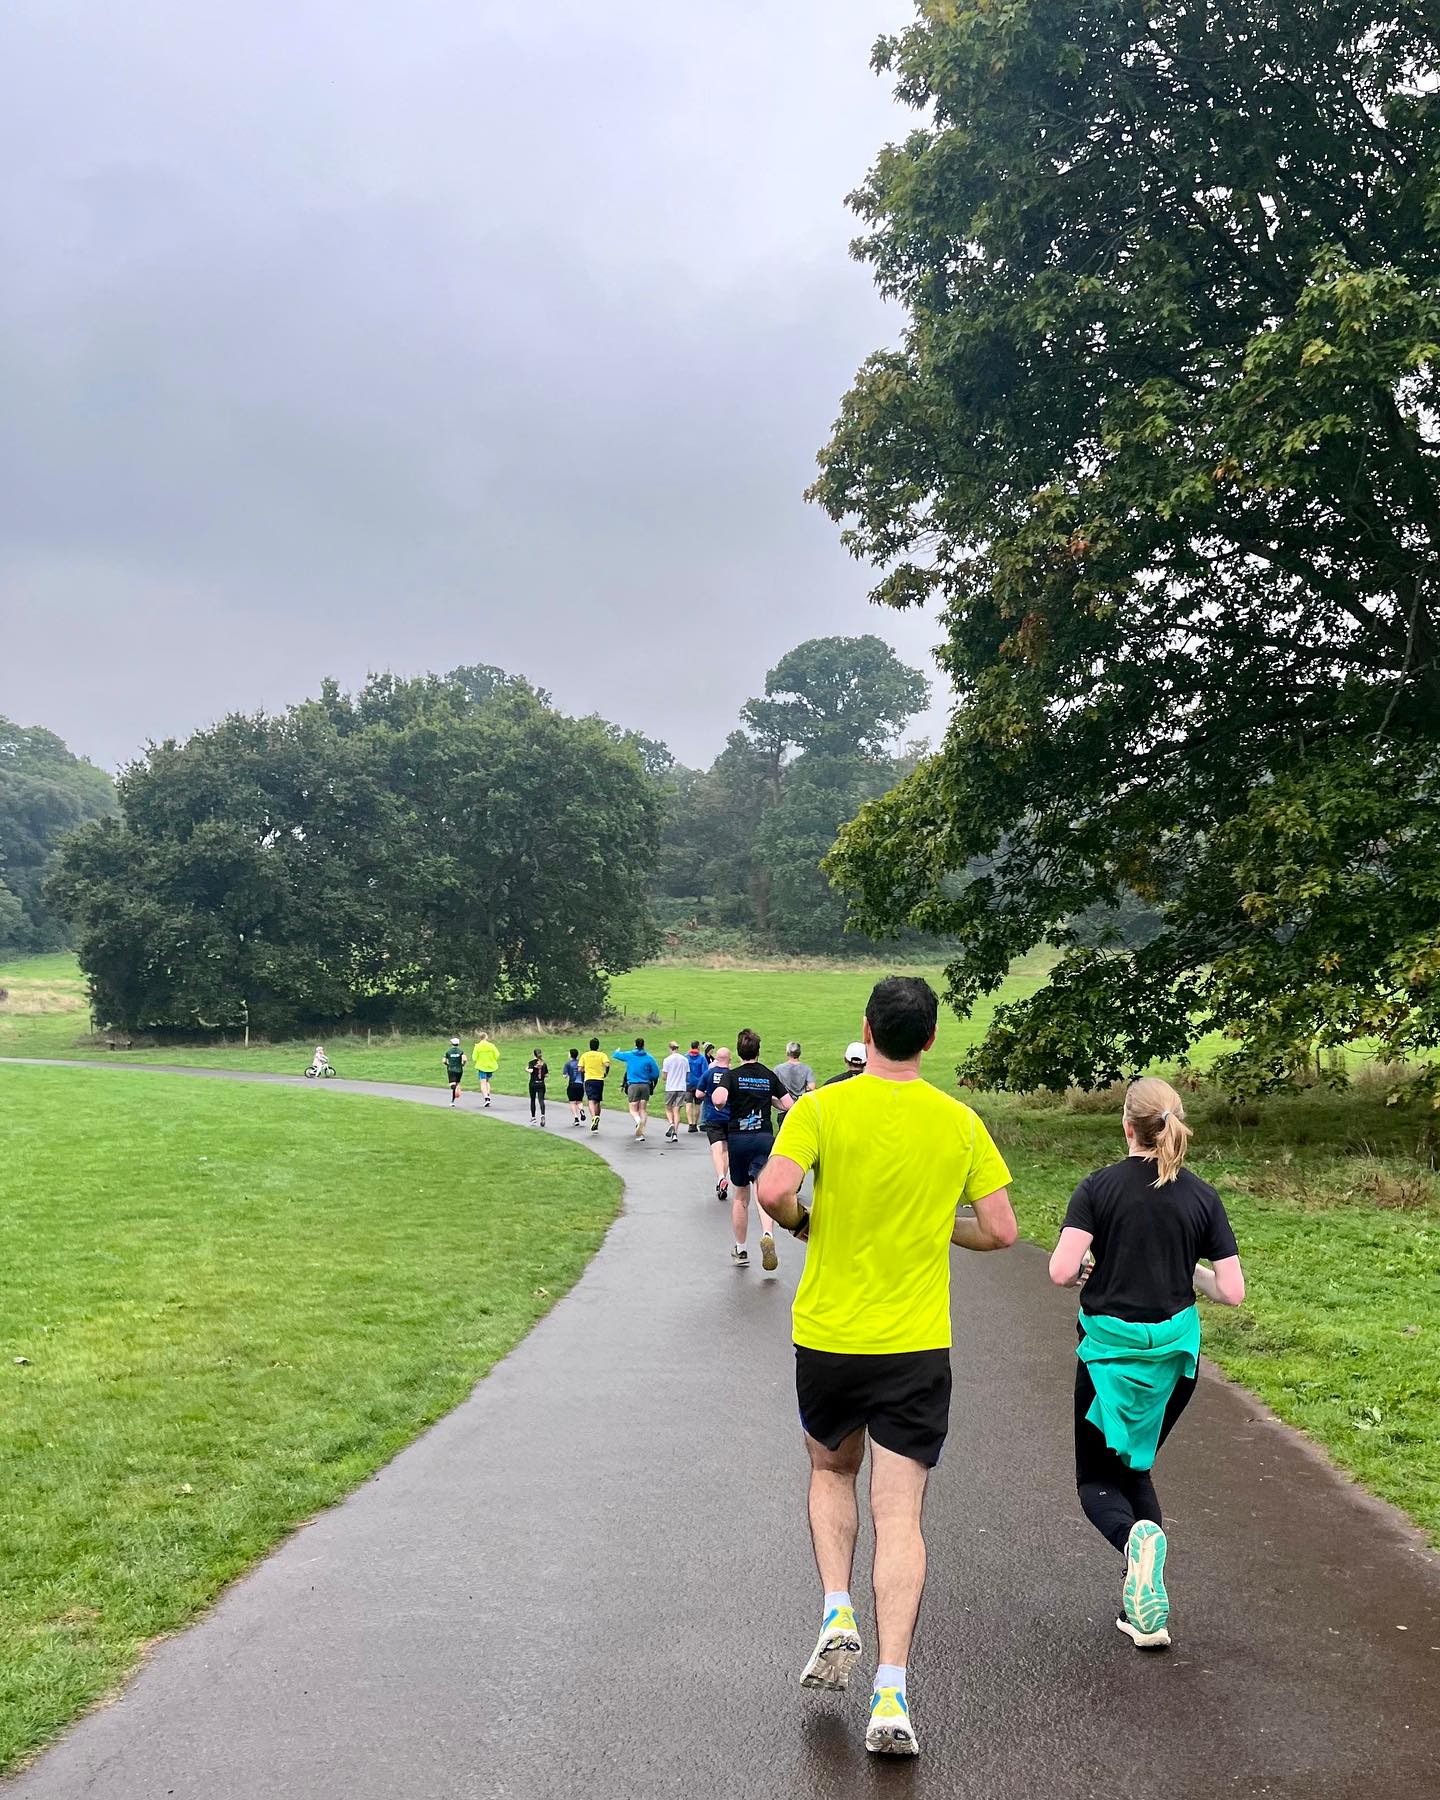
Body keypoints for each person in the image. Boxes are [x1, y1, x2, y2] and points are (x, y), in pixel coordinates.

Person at [755, 976, 1016, 1758]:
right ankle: (892, 1692)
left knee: (832, 1472)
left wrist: (803, 1221)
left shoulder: (822, 1108)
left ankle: (837, 1609)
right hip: (914, 1344)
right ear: (931, 1039)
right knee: (901, 1513)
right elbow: (1002, 1231)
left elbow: (772, 1189)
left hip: (831, 1337)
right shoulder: (960, 1122)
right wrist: (940, 1229)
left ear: (866, 1031)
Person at [1048, 1076, 1244, 1653]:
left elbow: (1061, 1271)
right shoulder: (1202, 1196)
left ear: (1127, 1126)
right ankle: (1145, 1612)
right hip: (1174, 1362)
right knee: (1135, 1467)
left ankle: (1135, 1543)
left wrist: (1087, 1258)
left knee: (1093, 1482)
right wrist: (1188, 1271)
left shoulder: (1098, 1188)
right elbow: (1231, 1291)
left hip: (1108, 1356)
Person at [710, 1028, 794, 1272]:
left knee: (741, 1196)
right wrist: (770, 1100)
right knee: (762, 1190)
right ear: (758, 1050)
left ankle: (741, 1248)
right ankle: (767, 1234)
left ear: (739, 1052)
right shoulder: (768, 1075)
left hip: (739, 1139)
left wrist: (721, 1097)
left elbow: (719, 1099)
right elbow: (788, 1104)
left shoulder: (731, 1076)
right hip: (764, 1138)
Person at [697, 1047, 733, 1200]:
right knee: (726, 1150)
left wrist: (709, 1094)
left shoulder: (709, 1073)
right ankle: (724, 1177)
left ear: (716, 1058)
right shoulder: (732, 1075)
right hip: (730, 1117)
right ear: (730, 1059)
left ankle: (720, 1177)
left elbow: (698, 1094)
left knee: (716, 1149)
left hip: (713, 1116)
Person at [619, 1036, 661, 1141]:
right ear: (643, 1045)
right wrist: (648, 1076)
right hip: (645, 1085)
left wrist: (617, 1050)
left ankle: (638, 1122)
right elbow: (656, 1074)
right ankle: (641, 1132)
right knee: (643, 1109)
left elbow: (616, 1055)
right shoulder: (649, 1058)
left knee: (633, 1109)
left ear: (635, 1044)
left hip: (633, 1085)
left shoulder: (629, 1055)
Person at [661, 1041, 690, 1142]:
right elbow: (687, 1075)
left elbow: (664, 1076)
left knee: (668, 1108)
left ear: (670, 1048)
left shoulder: (667, 1060)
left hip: (670, 1087)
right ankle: (675, 1134)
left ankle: (671, 1123)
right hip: (681, 1087)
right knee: (677, 1110)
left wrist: (666, 1077)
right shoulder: (685, 1060)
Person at [579, 1038, 610, 1132]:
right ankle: (597, 1118)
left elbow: (580, 1069)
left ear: (590, 1045)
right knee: (597, 1101)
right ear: (598, 1046)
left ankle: (593, 1118)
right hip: (599, 1079)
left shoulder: (585, 1055)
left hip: (589, 1079)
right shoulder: (602, 1055)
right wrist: (605, 1073)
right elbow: (607, 1065)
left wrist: (586, 1070)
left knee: (591, 1100)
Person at [472, 1031, 500, 1108]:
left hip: (481, 1066)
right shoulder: (491, 1045)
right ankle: (488, 1095)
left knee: (482, 1082)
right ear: (486, 1037)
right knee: (487, 1081)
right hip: (490, 1066)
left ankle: (486, 1097)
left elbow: (474, 1058)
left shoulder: (477, 1046)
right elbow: (497, 1055)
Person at [685, 1040, 708, 1132]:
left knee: (688, 1103)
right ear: (698, 1047)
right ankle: (695, 1123)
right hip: (699, 1084)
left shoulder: (686, 1057)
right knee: (697, 1104)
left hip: (688, 1083)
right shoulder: (702, 1058)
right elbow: (705, 1072)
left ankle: (690, 1124)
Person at [562, 1047, 586, 1126]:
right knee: (579, 1101)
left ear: (570, 1055)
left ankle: (576, 1118)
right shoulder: (581, 1063)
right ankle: (581, 1110)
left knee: (572, 1102)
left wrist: (568, 1074)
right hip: (580, 1084)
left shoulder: (568, 1064)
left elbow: (564, 1075)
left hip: (572, 1084)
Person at [527, 1048, 549, 1127]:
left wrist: (526, 1069)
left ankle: (533, 1117)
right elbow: (546, 1075)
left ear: (534, 1054)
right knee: (541, 1100)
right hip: (541, 1084)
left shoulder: (531, 1063)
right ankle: (542, 1115)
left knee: (533, 1100)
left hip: (533, 1083)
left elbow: (530, 1070)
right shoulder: (544, 1063)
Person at [443, 1037, 466, 1105]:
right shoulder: (461, 1051)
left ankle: (452, 1101)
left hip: (451, 1069)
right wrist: (462, 1064)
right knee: (457, 1083)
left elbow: (444, 1061)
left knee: (453, 1085)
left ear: (451, 1044)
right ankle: (456, 1093)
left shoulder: (448, 1052)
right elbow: (464, 1059)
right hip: (459, 1070)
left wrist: (447, 1064)